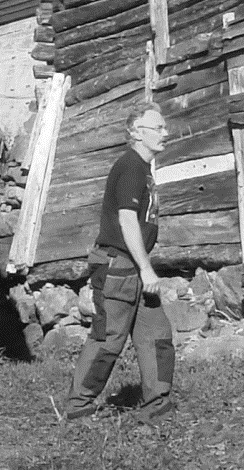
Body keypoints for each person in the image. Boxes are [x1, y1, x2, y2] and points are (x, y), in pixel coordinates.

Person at [64, 103, 176, 421]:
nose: (165, 133)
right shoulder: (130, 166)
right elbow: (127, 220)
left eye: (164, 127)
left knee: (156, 332)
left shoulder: (142, 169)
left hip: (132, 267)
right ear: (137, 132)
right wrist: (145, 267)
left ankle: (158, 406)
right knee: (109, 336)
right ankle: (78, 408)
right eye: (158, 127)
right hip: (120, 266)